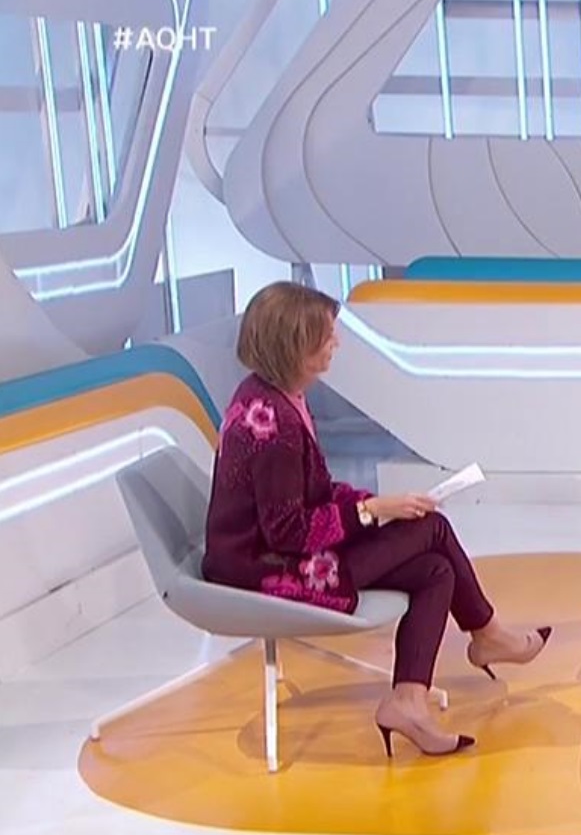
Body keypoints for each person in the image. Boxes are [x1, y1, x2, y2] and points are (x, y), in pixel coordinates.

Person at [202, 282, 550, 758]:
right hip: (263, 568)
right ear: (294, 345)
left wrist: (377, 505)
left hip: (282, 552)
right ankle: (487, 635)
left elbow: (314, 493)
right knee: (431, 529)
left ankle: (409, 701)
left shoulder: (281, 396)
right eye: (326, 336)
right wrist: (371, 512)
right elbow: (288, 532)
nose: (336, 343)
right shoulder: (273, 425)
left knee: (436, 570)